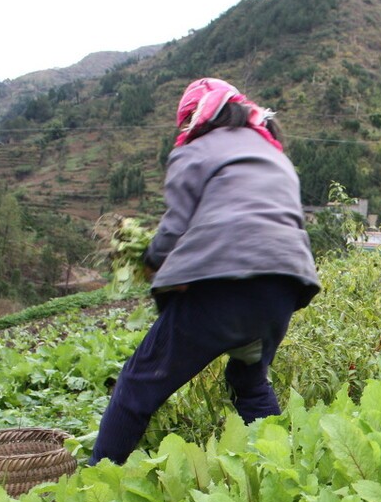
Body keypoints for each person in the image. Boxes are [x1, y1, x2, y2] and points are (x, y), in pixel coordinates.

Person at [89, 77, 320, 466]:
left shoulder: (194, 151)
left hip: (224, 282)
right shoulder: (274, 153)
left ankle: (95, 485)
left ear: (196, 118)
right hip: (284, 285)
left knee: (136, 384)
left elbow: (175, 230)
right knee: (249, 381)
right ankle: (284, 470)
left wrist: (150, 260)